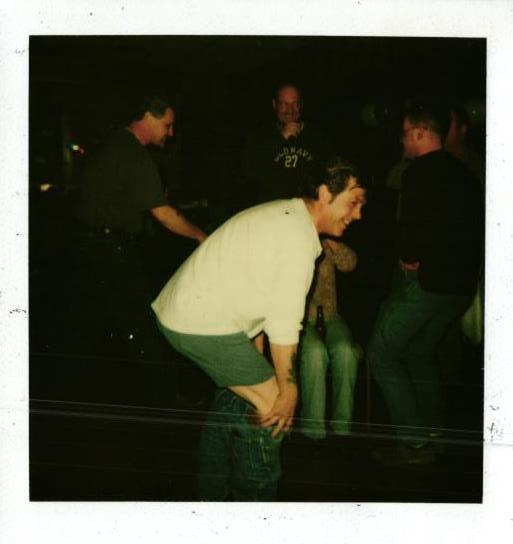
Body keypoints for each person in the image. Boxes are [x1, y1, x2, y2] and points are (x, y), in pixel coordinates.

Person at [151, 158, 366, 500]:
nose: (358, 214)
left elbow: (257, 290)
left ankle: (210, 492)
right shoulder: (297, 239)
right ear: (325, 194)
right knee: (272, 409)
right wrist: (289, 391)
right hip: (200, 321)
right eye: (353, 202)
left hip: (187, 312)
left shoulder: (288, 215)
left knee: (237, 395)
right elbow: (283, 323)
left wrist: (260, 356)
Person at [367, 101, 484, 465]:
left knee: (381, 353)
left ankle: (414, 444)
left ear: (420, 133)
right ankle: (435, 436)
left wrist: (408, 255)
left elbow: (412, 230)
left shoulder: (418, 172)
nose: (401, 141)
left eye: (405, 134)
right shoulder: (466, 173)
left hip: (428, 284)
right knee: (419, 352)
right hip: (460, 289)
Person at [77, 94, 206, 361]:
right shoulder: (134, 155)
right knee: (143, 323)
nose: (171, 133)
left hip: (92, 246)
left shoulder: (114, 142)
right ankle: (163, 385)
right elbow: (164, 215)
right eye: (168, 125)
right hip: (114, 249)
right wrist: (200, 235)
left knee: (108, 322)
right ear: (148, 117)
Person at [299, 234, 364, 441]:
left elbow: (350, 263)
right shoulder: (295, 239)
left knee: (347, 351)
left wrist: (332, 243)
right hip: (300, 318)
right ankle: (313, 430)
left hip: (331, 315)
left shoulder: (327, 240)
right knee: (315, 352)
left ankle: (342, 428)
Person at [241, 83, 332, 205]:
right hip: (271, 208)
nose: (290, 110)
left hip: (307, 208)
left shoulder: (317, 137)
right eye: (284, 104)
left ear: (301, 105)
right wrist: (281, 138)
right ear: (274, 105)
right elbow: (250, 173)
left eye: (295, 104)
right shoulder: (260, 136)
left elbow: (328, 176)